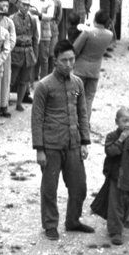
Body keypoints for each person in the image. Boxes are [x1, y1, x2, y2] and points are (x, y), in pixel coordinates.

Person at [32, 40, 93, 240]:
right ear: (55, 60)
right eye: (64, 60)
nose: (69, 64)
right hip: (51, 146)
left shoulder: (78, 83)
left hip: (73, 144)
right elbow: (37, 118)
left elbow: (82, 113)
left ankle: (73, 221)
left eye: (72, 59)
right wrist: (39, 149)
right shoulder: (44, 86)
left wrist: (84, 142)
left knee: (79, 186)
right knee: (49, 188)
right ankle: (50, 224)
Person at [90, 107, 129, 246]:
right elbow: (110, 151)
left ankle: (120, 224)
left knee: (127, 202)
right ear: (116, 121)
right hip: (116, 176)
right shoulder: (112, 136)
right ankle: (116, 231)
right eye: (124, 121)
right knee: (115, 204)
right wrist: (120, 140)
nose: (128, 124)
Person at [73, 9, 115, 121]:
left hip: (80, 68)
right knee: (89, 98)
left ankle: (75, 120)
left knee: (76, 95)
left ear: (94, 19)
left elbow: (75, 49)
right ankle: (85, 122)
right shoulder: (109, 35)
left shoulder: (87, 33)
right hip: (95, 69)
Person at [10, 0, 40, 112]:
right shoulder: (12, 19)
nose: (26, 7)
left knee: (24, 80)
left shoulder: (32, 19)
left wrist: (35, 55)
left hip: (28, 53)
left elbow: (35, 38)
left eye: (28, 5)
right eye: (23, 4)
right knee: (11, 79)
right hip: (16, 52)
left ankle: (19, 103)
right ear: (18, 4)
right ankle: (4, 103)